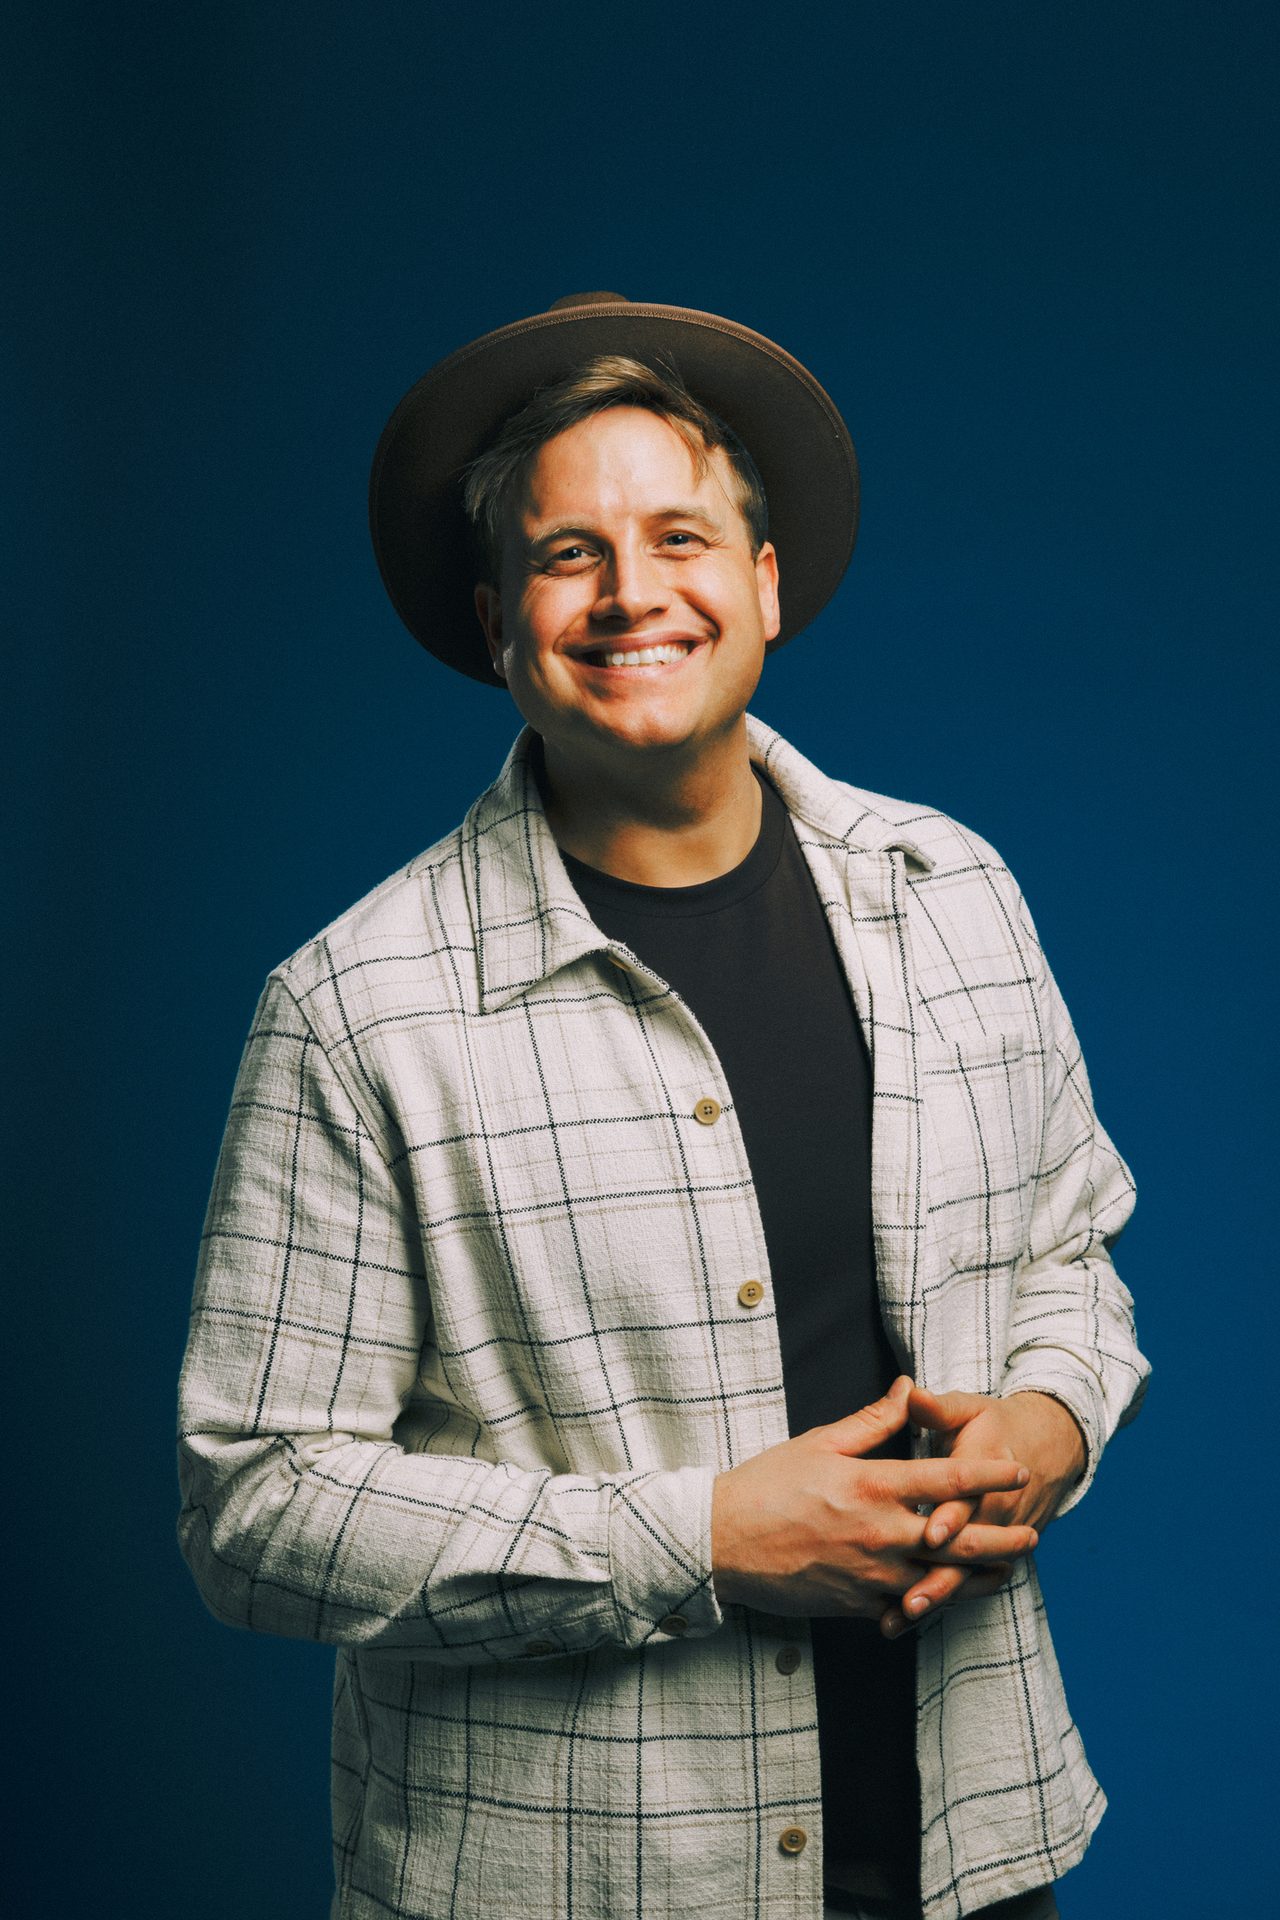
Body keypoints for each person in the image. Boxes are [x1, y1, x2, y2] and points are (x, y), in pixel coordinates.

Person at [177, 293, 1148, 1920]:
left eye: (681, 535)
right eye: (570, 556)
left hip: (976, 1853)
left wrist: (1049, 1422)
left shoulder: (955, 894)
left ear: (761, 585)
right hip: (570, 1884)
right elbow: (254, 1506)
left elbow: (1076, 1254)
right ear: (499, 625)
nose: (635, 593)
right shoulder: (359, 1009)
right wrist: (696, 1537)